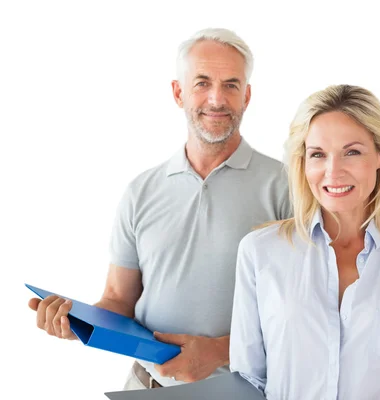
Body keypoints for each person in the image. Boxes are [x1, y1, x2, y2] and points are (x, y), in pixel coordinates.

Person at [27, 28, 291, 390]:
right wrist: (77, 324)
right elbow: (120, 299)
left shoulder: (287, 187)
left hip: (239, 393)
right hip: (143, 386)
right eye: (202, 83)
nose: (217, 98)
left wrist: (218, 351)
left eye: (231, 85)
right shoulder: (141, 191)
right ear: (178, 92)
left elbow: (305, 313)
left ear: (246, 95)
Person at [230, 84, 380, 399]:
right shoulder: (259, 252)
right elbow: (246, 383)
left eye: (352, 152)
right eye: (318, 154)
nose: (334, 171)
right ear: (303, 163)